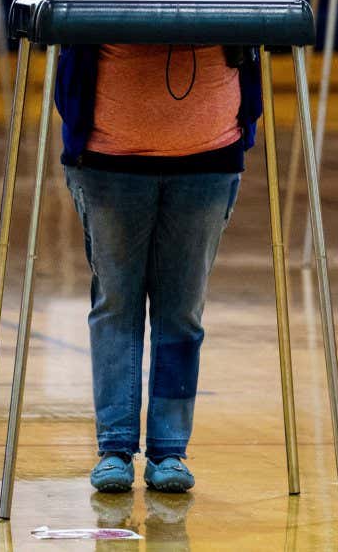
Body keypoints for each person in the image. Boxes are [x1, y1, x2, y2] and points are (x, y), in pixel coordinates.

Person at [56, 42, 262, 493]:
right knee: (116, 304)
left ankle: (169, 449)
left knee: (182, 312)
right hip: (109, 156)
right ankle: (114, 447)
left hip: (210, 156)